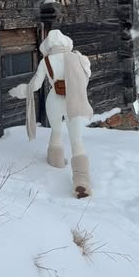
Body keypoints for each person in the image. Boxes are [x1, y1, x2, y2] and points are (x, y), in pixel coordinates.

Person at [25, 29, 93, 198]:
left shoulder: (46, 61)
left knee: (56, 132)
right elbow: (86, 78)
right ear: (65, 42)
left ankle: (55, 162)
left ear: (48, 45)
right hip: (73, 101)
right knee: (76, 140)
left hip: (54, 101)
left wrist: (22, 91)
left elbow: (35, 86)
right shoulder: (77, 58)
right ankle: (81, 181)